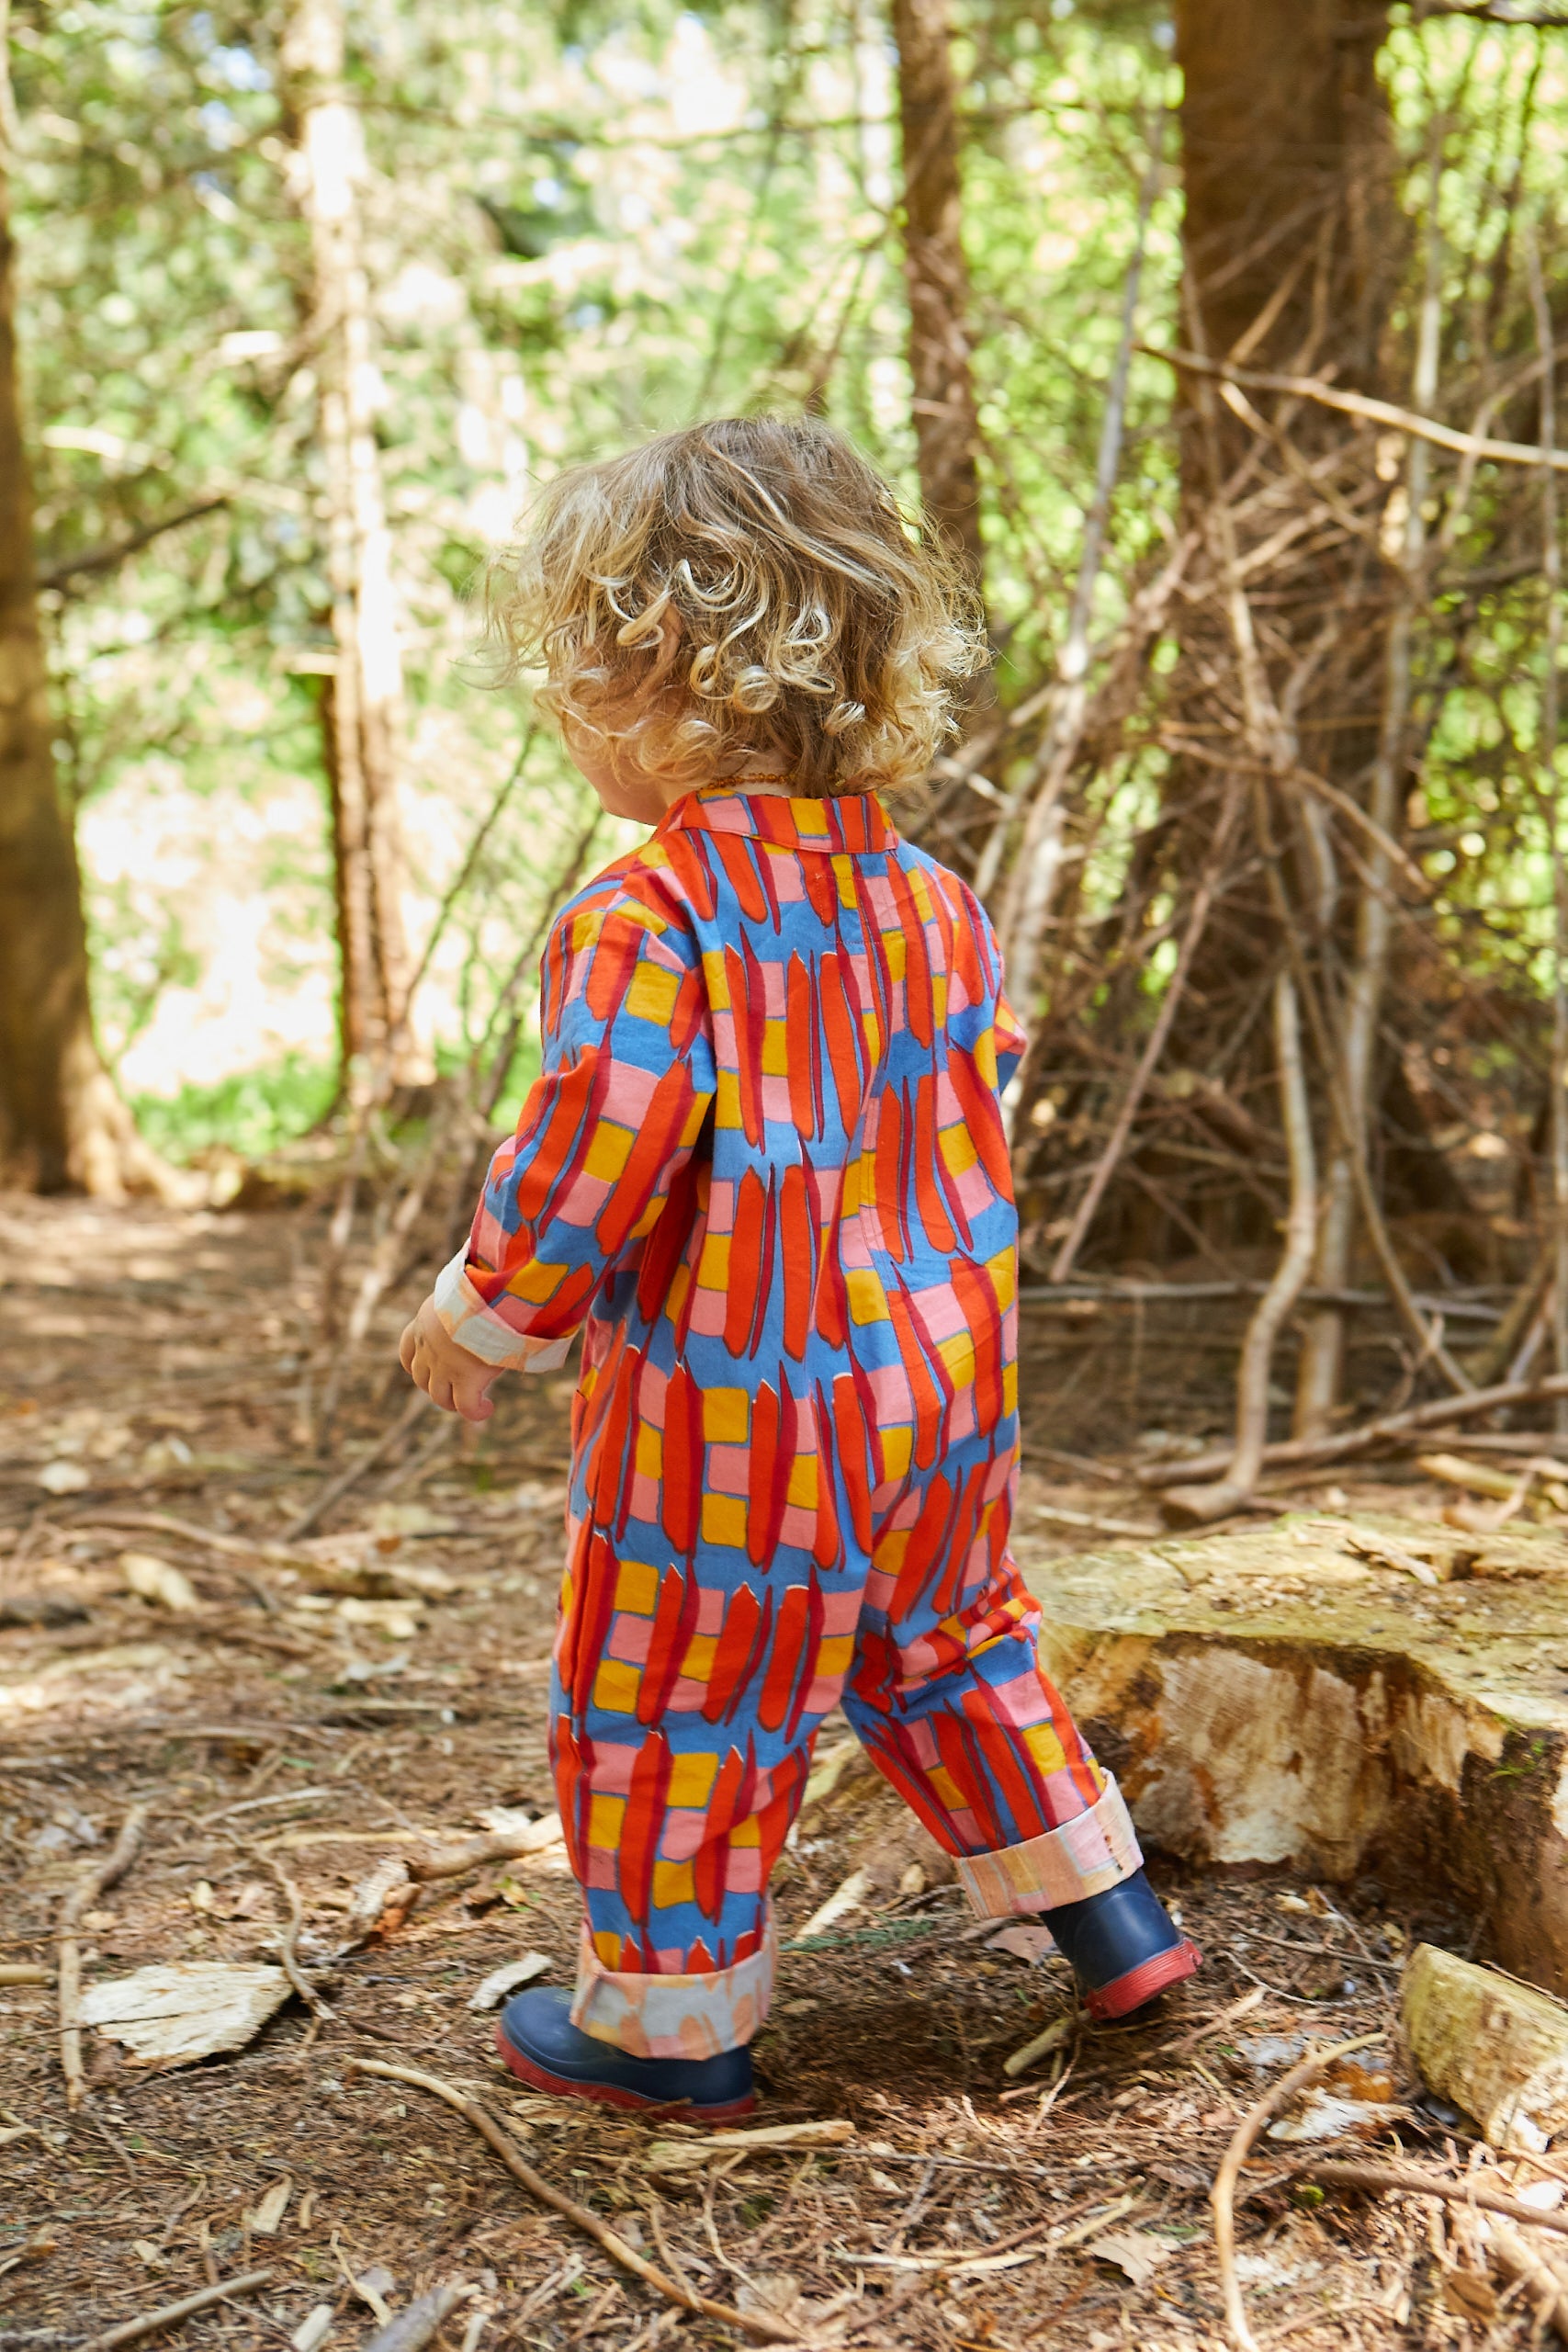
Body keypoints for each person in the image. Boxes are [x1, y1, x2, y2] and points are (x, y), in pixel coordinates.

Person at [398, 417, 1199, 2120]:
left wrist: (483, 1313)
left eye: (574, 679)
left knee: (679, 1699)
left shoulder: (654, 919)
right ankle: (1108, 1914)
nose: (564, 719)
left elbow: (592, 1153)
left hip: (731, 1433)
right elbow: (972, 1114)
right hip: (935, 1405)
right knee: (958, 1646)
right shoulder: (935, 904)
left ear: (662, 675)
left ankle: (664, 2033)